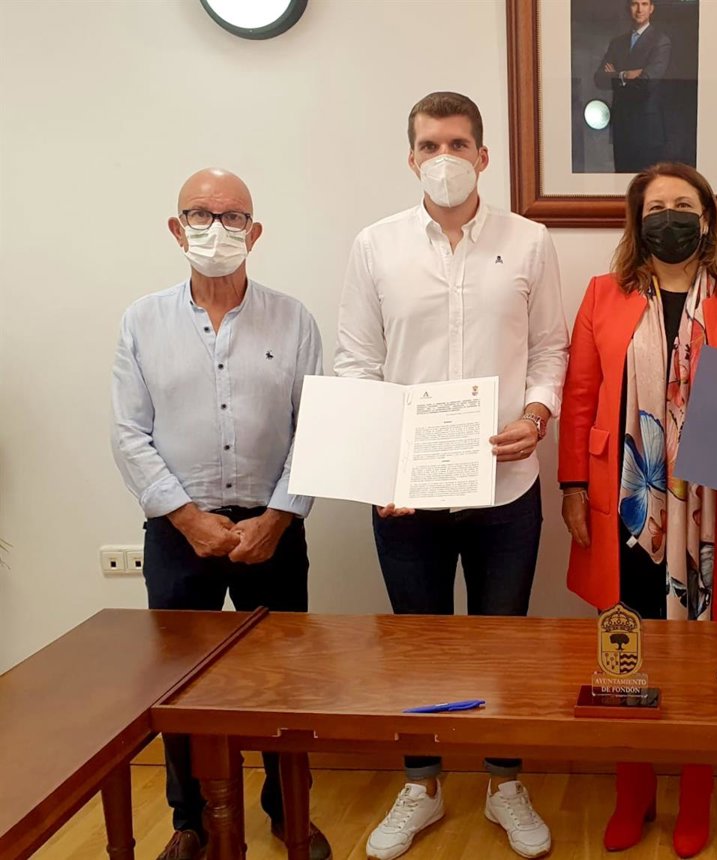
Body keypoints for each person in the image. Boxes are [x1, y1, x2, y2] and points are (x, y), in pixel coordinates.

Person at [334, 91, 568, 860]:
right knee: (417, 645)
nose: (445, 158)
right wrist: (376, 464)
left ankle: (504, 784)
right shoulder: (375, 246)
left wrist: (536, 414)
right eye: (430, 145)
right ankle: (422, 786)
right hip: (408, 492)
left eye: (458, 144)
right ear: (411, 158)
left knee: (505, 644)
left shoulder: (529, 241)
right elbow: (357, 362)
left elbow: (550, 349)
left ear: (483, 156)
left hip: (507, 485)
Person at [558, 162, 717, 858]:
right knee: (625, 652)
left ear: (707, 218)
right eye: (655, 207)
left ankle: (696, 792)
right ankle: (633, 791)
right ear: (637, 221)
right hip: (626, 505)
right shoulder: (604, 294)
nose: (669, 217)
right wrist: (571, 486)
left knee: (704, 658)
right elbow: (581, 395)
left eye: (683, 204)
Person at [110, 168, 329, 860]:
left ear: (254, 233)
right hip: (180, 531)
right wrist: (186, 518)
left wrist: (278, 517)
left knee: (283, 684)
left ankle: (287, 808)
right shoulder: (142, 321)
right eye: (200, 215)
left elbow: (315, 431)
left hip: (273, 529)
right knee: (179, 686)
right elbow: (129, 435)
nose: (216, 229)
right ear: (177, 230)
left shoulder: (294, 319)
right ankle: (191, 821)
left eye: (233, 217)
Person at [594, 0, 672, 172]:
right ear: (628, 8)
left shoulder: (660, 41)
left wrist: (615, 75)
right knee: (621, 181)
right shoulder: (617, 43)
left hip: (647, 128)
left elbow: (646, 83)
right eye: (634, 4)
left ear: (651, 8)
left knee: (646, 182)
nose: (639, 9)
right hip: (621, 125)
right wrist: (625, 74)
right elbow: (599, 79)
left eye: (644, 4)